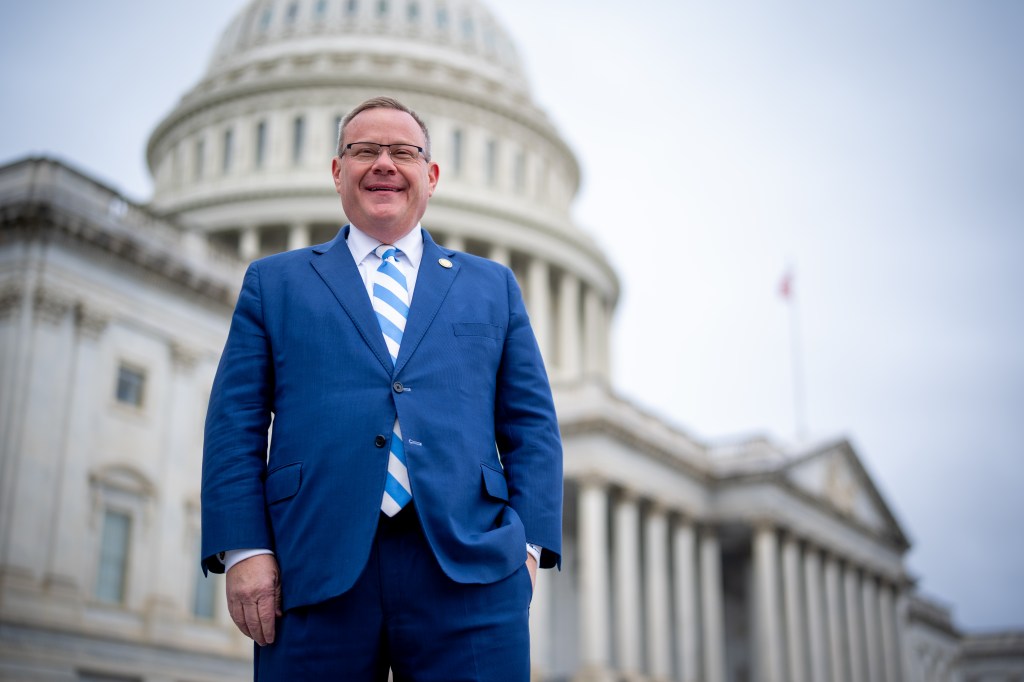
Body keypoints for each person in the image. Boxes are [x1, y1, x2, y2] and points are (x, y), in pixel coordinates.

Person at [200, 96, 563, 680]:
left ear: (431, 175)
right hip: (312, 563)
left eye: (403, 152)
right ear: (337, 171)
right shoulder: (275, 282)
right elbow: (234, 424)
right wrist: (245, 547)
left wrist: (527, 549)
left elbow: (532, 427)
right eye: (364, 150)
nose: (384, 164)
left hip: (469, 568)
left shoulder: (492, 286)